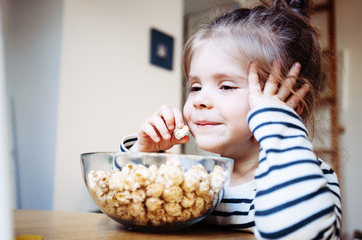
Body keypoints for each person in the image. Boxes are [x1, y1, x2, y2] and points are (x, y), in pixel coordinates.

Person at [119, 0, 341, 239]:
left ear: (288, 104)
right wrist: (142, 156)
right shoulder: (196, 179)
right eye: (195, 87)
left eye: (226, 86)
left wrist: (279, 127)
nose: (199, 100)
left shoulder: (308, 174)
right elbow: (127, 208)